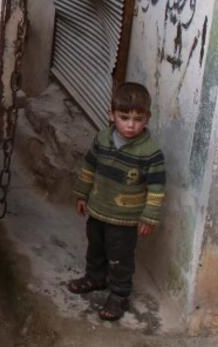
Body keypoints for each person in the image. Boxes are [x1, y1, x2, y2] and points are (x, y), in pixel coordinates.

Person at [66, 82, 166, 321]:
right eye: (124, 117)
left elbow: (156, 188)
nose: (131, 125)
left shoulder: (150, 152)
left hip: (125, 219)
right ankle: (95, 277)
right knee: (96, 247)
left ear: (147, 119)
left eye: (138, 119)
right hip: (98, 209)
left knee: (120, 257)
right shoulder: (102, 139)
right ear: (111, 115)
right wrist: (82, 194)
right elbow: (89, 167)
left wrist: (149, 216)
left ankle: (119, 295)